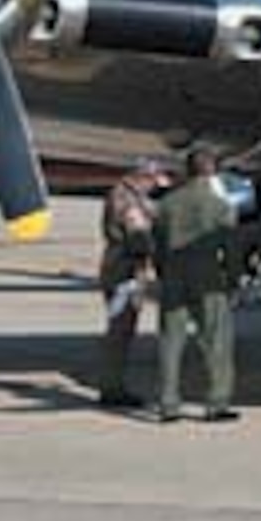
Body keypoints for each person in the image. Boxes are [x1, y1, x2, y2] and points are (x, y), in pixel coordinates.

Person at [152, 148, 242, 424]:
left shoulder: (166, 204)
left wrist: (163, 272)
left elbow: (157, 244)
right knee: (216, 339)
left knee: (170, 340)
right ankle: (216, 402)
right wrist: (233, 278)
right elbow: (231, 247)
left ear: (188, 170)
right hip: (207, 275)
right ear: (212, 171)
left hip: (174, 274)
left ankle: (168, 404)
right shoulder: (220, 206)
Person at [96, 159, 167, 410]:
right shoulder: (127, 200)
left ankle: (112, 385)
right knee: (120, 332)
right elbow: (138, 238)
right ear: (143, 176)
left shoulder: (127, 195)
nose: (153, 187)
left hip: (120, 269)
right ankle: (112, 388)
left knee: (121, 330)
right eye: (152, 181)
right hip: (124, 272)